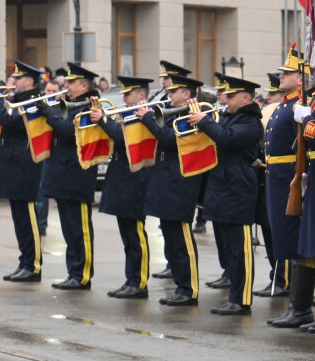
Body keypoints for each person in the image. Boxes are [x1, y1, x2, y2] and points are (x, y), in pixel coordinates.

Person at [135, 74, 208, 306]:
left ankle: (190, 288)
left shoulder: (191, 115)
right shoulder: (172, 111)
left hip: (181, 182)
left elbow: (169, 140)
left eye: (173, 91)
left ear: (186, 94)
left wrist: (147, 118)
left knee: (182, 240)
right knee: (170, 236)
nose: (168, 94)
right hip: (166, 180)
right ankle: (180, 286)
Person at [196, 74, 265, 315]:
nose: (226, 99)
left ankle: (242, 299)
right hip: (222, 187)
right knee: (227, 247)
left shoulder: (250, 121)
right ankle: (233, 296)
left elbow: (226, 140)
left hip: (238, 189)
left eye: (231, 96)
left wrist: (204, 122)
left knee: (240, 248)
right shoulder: (230, 117)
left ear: (245, 98)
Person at [262, 54, 315, 326]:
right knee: (286, 239)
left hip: (291, 176)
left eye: (287, 73)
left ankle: (302, 308)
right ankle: (296, 306)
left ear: (301, 79)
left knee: (297, 242)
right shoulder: (286, 104)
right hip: (277, 176)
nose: (281, 76)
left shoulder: (303, 104)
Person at [0, 62, 48, 282]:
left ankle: (34, 265)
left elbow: (8, 121)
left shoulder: (34, 103)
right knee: (19, 219)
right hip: (13, 164)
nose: (13, 82)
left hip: (26, 165)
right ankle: (24, 261)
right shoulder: (18, 100)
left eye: (17, 79)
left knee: (29, 218)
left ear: (29, 81)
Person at [39, 63, 101, 291]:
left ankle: (82, 274)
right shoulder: (72, 103)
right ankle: (73, 271)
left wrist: (49, 112)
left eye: (70, 83)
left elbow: (69, 131)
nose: (66, 86)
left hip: (78, 175)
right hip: (64, 174)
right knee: (68, 229)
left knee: (80, 228)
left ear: (84, 85)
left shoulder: (90, 106)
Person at [91, 75, 152, 298]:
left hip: (136, 181)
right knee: (127, 237)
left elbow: (123, 139)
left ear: (141, 95)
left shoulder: (144, 114)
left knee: (136, 237)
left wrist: (103, 120)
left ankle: (140, 282)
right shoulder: (129, 113)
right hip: (123, 180)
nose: (124, 98)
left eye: (128, 94)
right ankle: (131, 279)